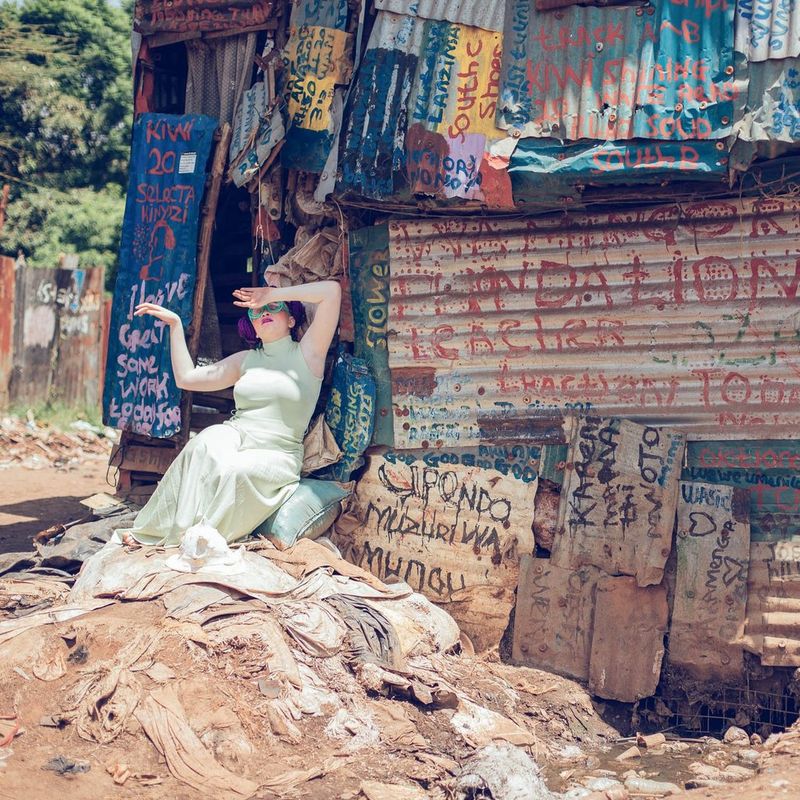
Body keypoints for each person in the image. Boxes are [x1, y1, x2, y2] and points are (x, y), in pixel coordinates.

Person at [117, 279, 342, 547]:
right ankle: (158, 533)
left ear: (292, 320)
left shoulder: (309, 352)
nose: (263, 313)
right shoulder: (246, 360)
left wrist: (271, 293)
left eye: (273, 307)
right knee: (202, 445)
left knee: (235, 471)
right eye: (256, 312)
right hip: (237, 434)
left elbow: (332, 292)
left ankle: (201, 540)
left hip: (277, 451)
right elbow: (187, 378)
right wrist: (176, 326)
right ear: (254, 329)